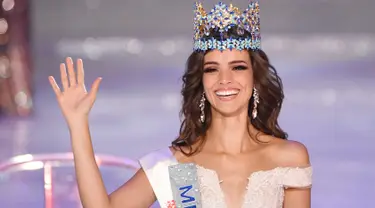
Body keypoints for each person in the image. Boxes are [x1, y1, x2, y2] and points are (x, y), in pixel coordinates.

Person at [49, 1, 312, 208]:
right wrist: (77, 123)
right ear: (202, 81)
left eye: (238, 67)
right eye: (212, 69)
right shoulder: (175, 165)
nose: (225, 80)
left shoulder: (288, 157)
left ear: (255, 78)